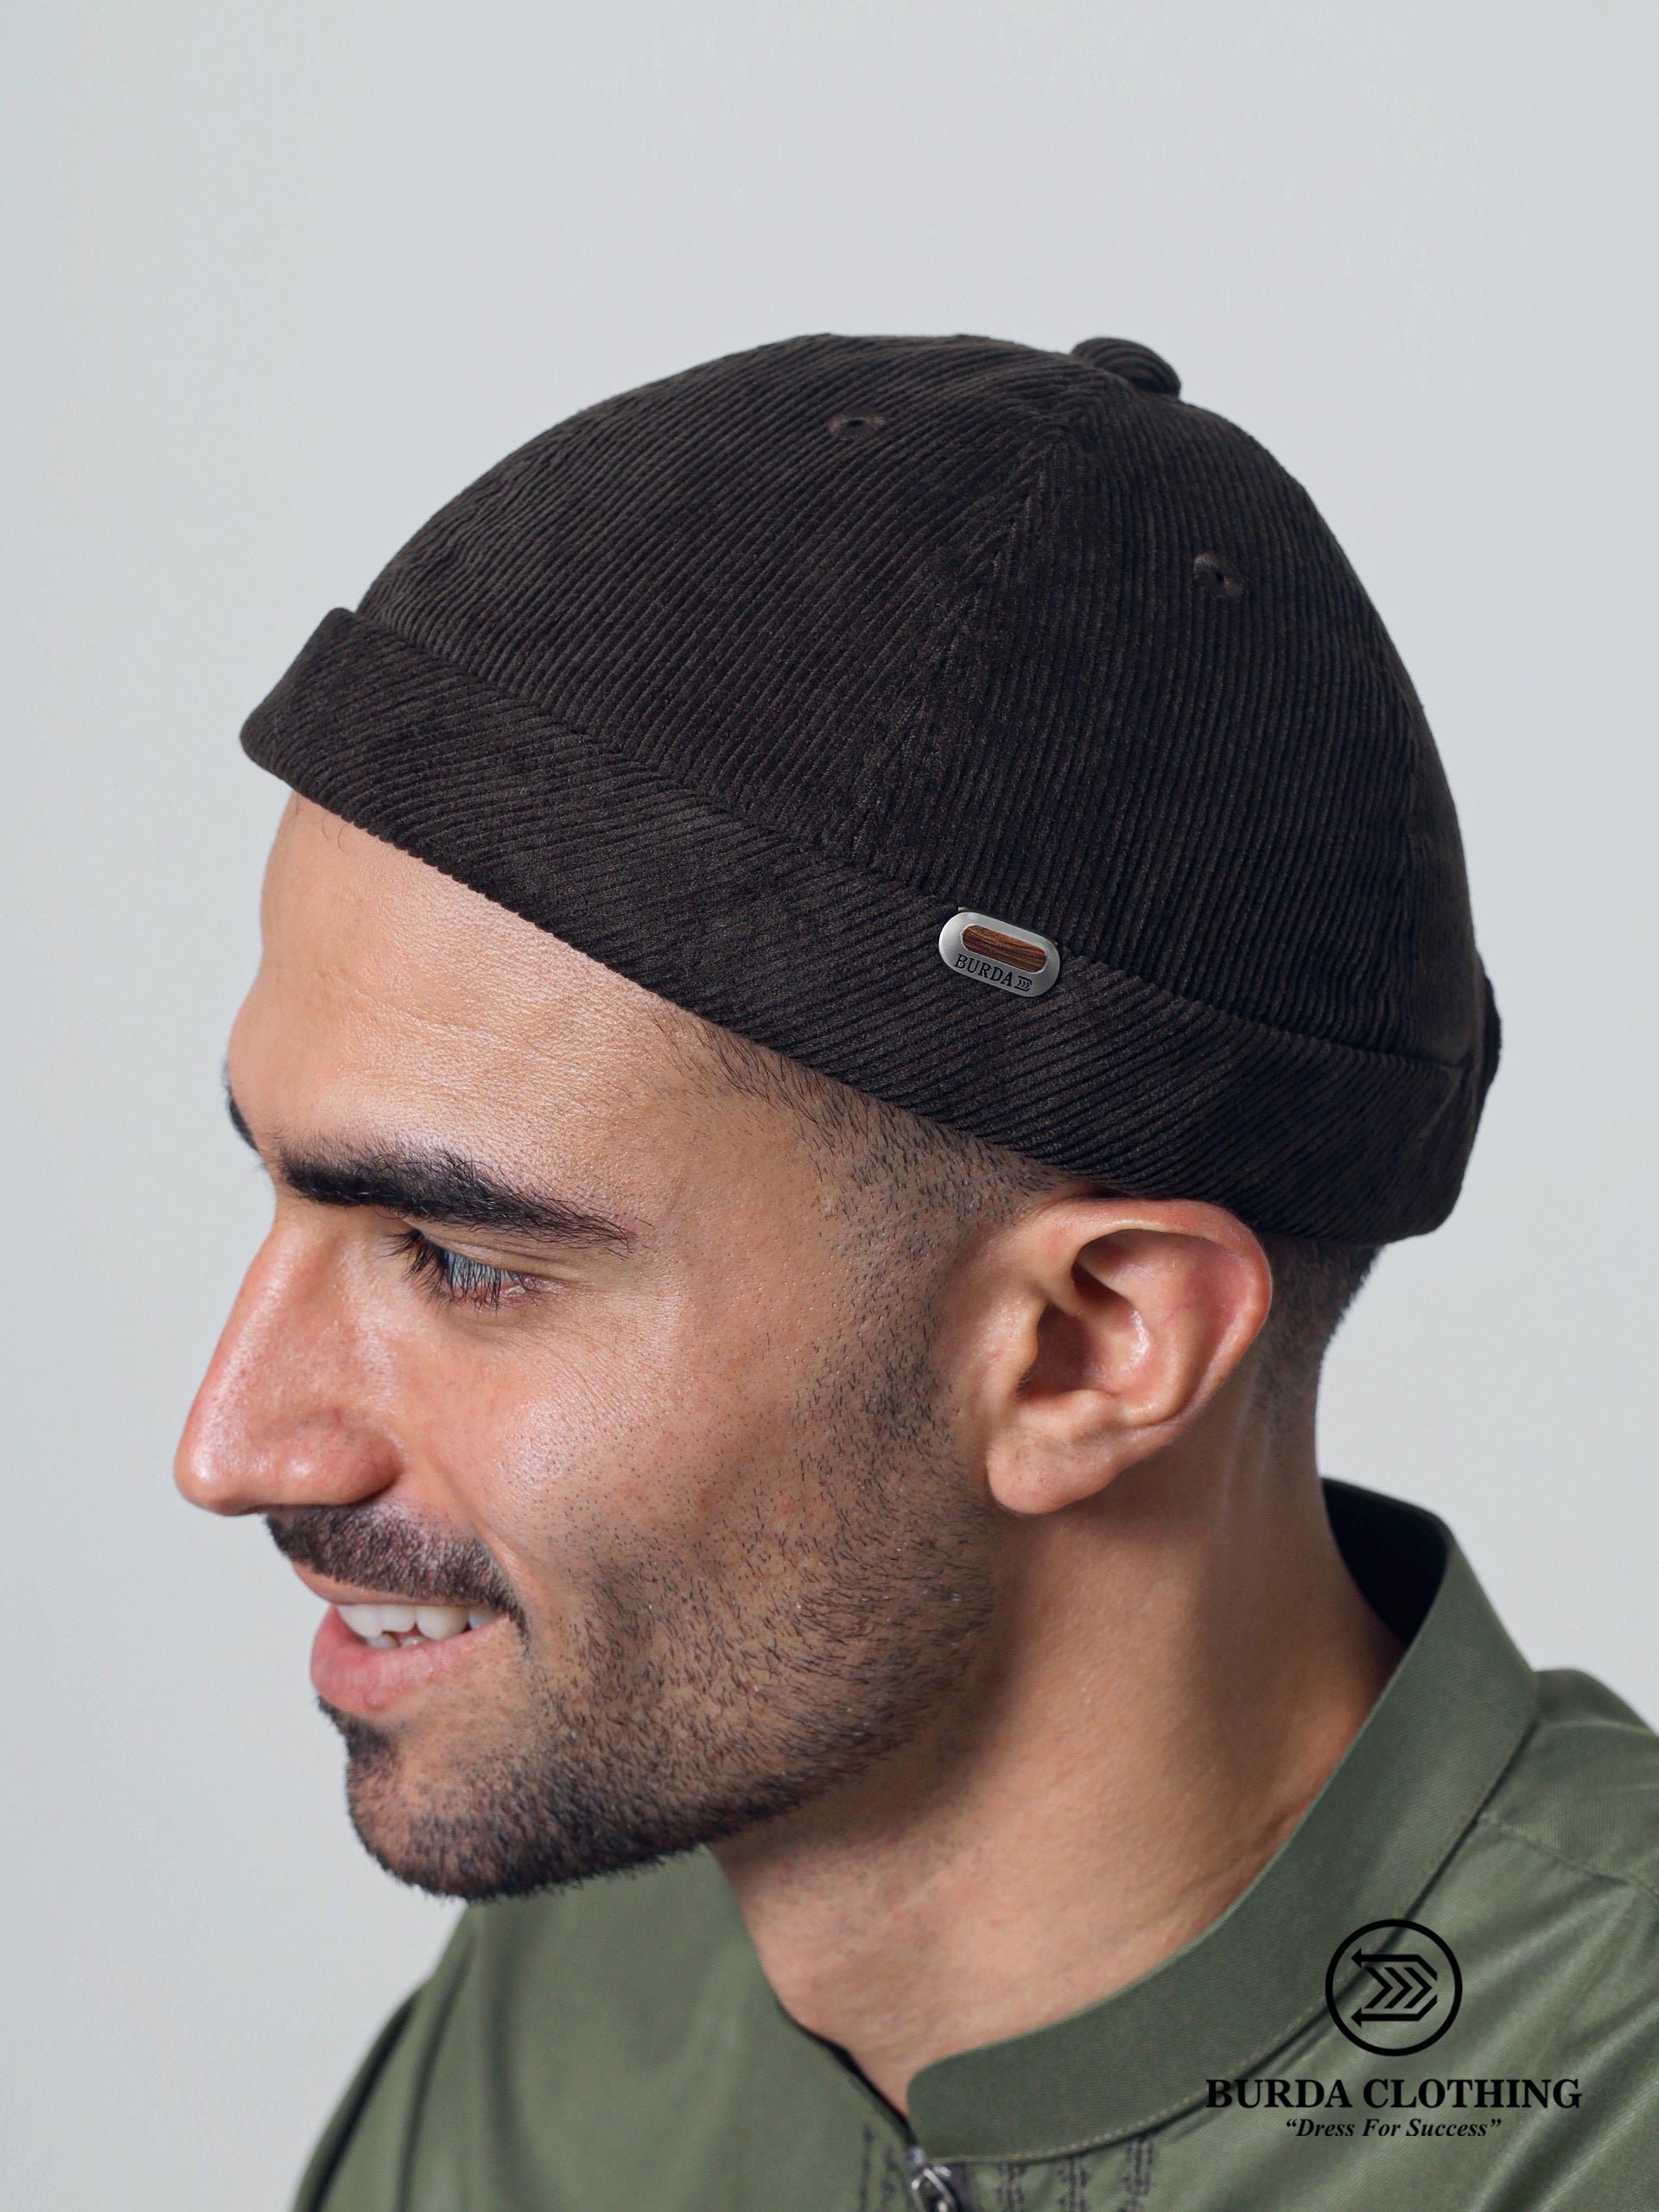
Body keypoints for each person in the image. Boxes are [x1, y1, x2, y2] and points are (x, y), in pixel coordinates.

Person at [175, 334, 1658, 2210]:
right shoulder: (589, 1967)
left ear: (1087, 1346)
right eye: (275, 1188)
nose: (230, 1445)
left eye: (463, 1261)